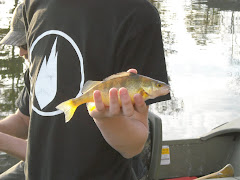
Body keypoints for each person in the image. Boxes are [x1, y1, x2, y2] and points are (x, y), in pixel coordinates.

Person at [21, 0, 171, 179]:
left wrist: (107, 119)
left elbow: (133, 146)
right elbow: (30, 116)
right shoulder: (31, 4)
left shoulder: (137, 14)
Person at [0, 3, 29, 180]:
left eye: (24, 43)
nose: (20, 52)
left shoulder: (73, 81)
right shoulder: (34, 73)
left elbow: (54, 157)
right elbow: (23, 121)